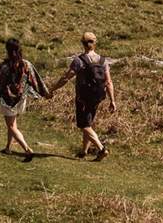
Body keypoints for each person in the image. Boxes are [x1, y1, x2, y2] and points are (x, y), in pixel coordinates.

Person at [49, 32, 116, 160]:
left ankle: (102, 149)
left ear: (83, 44)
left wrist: (53, 89)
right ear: (95, 44)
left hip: (83, 98)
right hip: (98, 97)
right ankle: (84, 151)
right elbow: (109, 82)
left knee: (83, 125)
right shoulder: (103, 61)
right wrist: (112, 100)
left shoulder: (79, 60)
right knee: (88, 123)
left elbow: (65, 78)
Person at [0, 38, 51, 162]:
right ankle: (8, 148)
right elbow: (35, 80)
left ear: (7, 50)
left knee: (11, 126)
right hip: (21, 98)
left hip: (8, 99)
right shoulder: (26, 64)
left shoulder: (5, 66)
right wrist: (45, 93)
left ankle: (27, 149)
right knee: (13, 124)